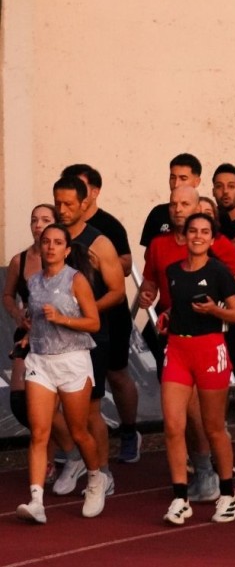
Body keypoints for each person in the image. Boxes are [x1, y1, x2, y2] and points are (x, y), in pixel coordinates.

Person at [16, 223, 106, 523]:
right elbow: (38, 319)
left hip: (73, 360)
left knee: (78, 430)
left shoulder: (76, 280)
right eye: (46, 242)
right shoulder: (33, 282)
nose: (51, 246)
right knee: (39, 432)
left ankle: (96, 479)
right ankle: (36, 500)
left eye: (57, 242)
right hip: (40, 361)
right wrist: (28, 336)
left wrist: (63, 318)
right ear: (40, 247)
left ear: (67, 250)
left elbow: (94, 323)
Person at [161, 213, 235, 525]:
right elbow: (177, 306)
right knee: (172, 425)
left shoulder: (219, 271)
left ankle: (227, 491)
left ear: (212, 239)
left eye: (204, 232)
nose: (197, 236)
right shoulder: (172, 272)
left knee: (213, 427)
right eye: (192, 231)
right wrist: (168, 315)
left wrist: (214, 310)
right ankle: (180, 497)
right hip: (178, 350)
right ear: (184, 236)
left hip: (210, 349)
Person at [60, 162, 141, 463]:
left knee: (115, 374)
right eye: (61, 200)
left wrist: (92, 269)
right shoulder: (56, 234)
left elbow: (122, 269)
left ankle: (128, 433)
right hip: (64, 329)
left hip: (107, 317)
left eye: (72, 198)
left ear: (90, 194)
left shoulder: (106, 230)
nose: (65, 206)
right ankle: (75, 455)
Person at [53, 175, 126, 499]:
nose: (62, 209)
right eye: (58, 203)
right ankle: (71, 462)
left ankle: (104, 473)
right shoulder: (52, 240)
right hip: (53, 341)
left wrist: (83, 315)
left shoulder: (100, 243)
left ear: (85, 203)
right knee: (49, 406)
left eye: (69, 204)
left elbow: (118, 293)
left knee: (91, 411)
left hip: (91, 340)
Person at [3, 204, 57, 436]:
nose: (38, 225)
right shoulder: (20, 260)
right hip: (26, 335)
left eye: (45, 220)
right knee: (20, 401)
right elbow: (7, 295)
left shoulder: (67, 259)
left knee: (50, 404)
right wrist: (17, 315)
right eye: (34, 220)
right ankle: (55, 449)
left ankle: (59, 454)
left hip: (57, 336)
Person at [140, 153, 203, 248]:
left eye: (183, 178)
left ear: (197, 181)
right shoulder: (158, 213)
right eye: (173, 178)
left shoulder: (208, 212)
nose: (176, 184)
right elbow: (149, 254)